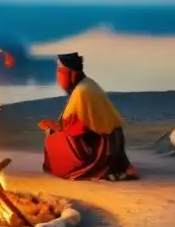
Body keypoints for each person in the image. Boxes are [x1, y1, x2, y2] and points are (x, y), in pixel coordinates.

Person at [38, 52, 140, 181]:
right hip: (112, 141)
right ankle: (121, 169)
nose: (58, 74)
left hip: (98, 147)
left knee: (51, 138)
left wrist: (53, 128)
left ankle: (77, 169)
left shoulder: (82, 91)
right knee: (52, 131)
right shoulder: (88, 83)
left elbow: (78, 129)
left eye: (60, 69)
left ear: (69, 71)